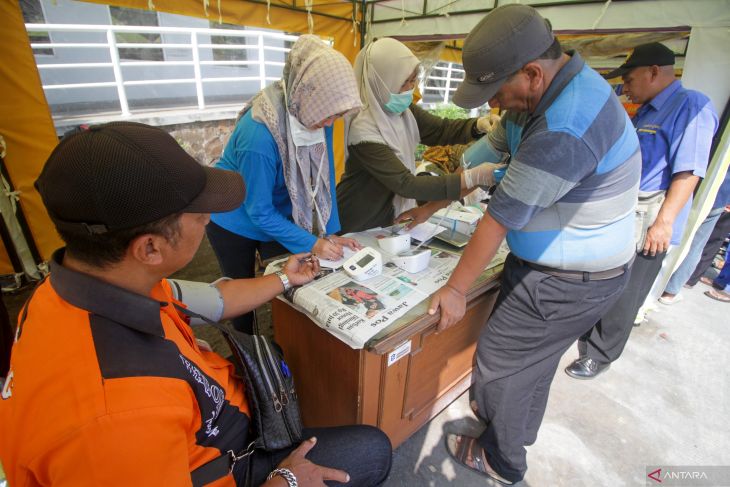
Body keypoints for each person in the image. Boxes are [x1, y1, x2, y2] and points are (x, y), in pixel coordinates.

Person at [0, 122, 392, 487]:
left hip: (212, 423)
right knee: (371, 450)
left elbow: (216, 299)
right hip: (228, 463)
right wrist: (286, 480)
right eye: (199, 212)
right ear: (149, 247)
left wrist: (287, 278)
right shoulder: (114, 420)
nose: (208, 221)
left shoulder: (85, 284)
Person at [422, 5, 641, 484]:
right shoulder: (543, 94)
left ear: (531, 73)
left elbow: (498, 219)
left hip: (568, 282)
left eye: (496, 92)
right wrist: (436, 192)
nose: (494, 104)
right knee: (531, 364)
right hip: (564, 270)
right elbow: (492, 148)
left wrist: (456, 289)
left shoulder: (565, 124)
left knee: (500, 361)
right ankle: (514, 427)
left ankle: (503, 460)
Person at [565, 42, 719, 379]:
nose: (628, 85)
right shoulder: (647, 109)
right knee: (608, 277)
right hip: (626, 208)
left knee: (629, 289)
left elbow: (689, 171)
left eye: (631, 78)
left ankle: (600, 354)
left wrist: (664, 222)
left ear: (654, 72)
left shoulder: (691, 105)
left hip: (653, 213)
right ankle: (590, 333)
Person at [207, 35, 363, 333]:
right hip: (233, 218)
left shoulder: (318, 112)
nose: (330, 124)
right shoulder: (259, 135)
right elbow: (259, 211)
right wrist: (314, 242)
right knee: (244, 294)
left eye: (337, 116)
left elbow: (324, 182)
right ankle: (248, 357)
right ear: (308, 94)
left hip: (277, 211)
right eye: (329, 116)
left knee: (289, 281)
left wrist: (330, 234)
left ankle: (287, 344)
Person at [336, 37, 505, 234]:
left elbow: (440, 130)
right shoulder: (363, 130)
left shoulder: (404, 112)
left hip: (389, 217)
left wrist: (476, 125)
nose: (410, 88)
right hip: (357, 219)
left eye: (412, 80)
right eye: (403, 82)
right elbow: (406, 184)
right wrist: (471, 178)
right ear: (382, 81)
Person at [660, 168, 730, 304]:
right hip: (717, 193)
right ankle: (670, 291)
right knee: (697, 242)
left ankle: (660, 283)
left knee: (677, 231)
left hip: (690, 185)